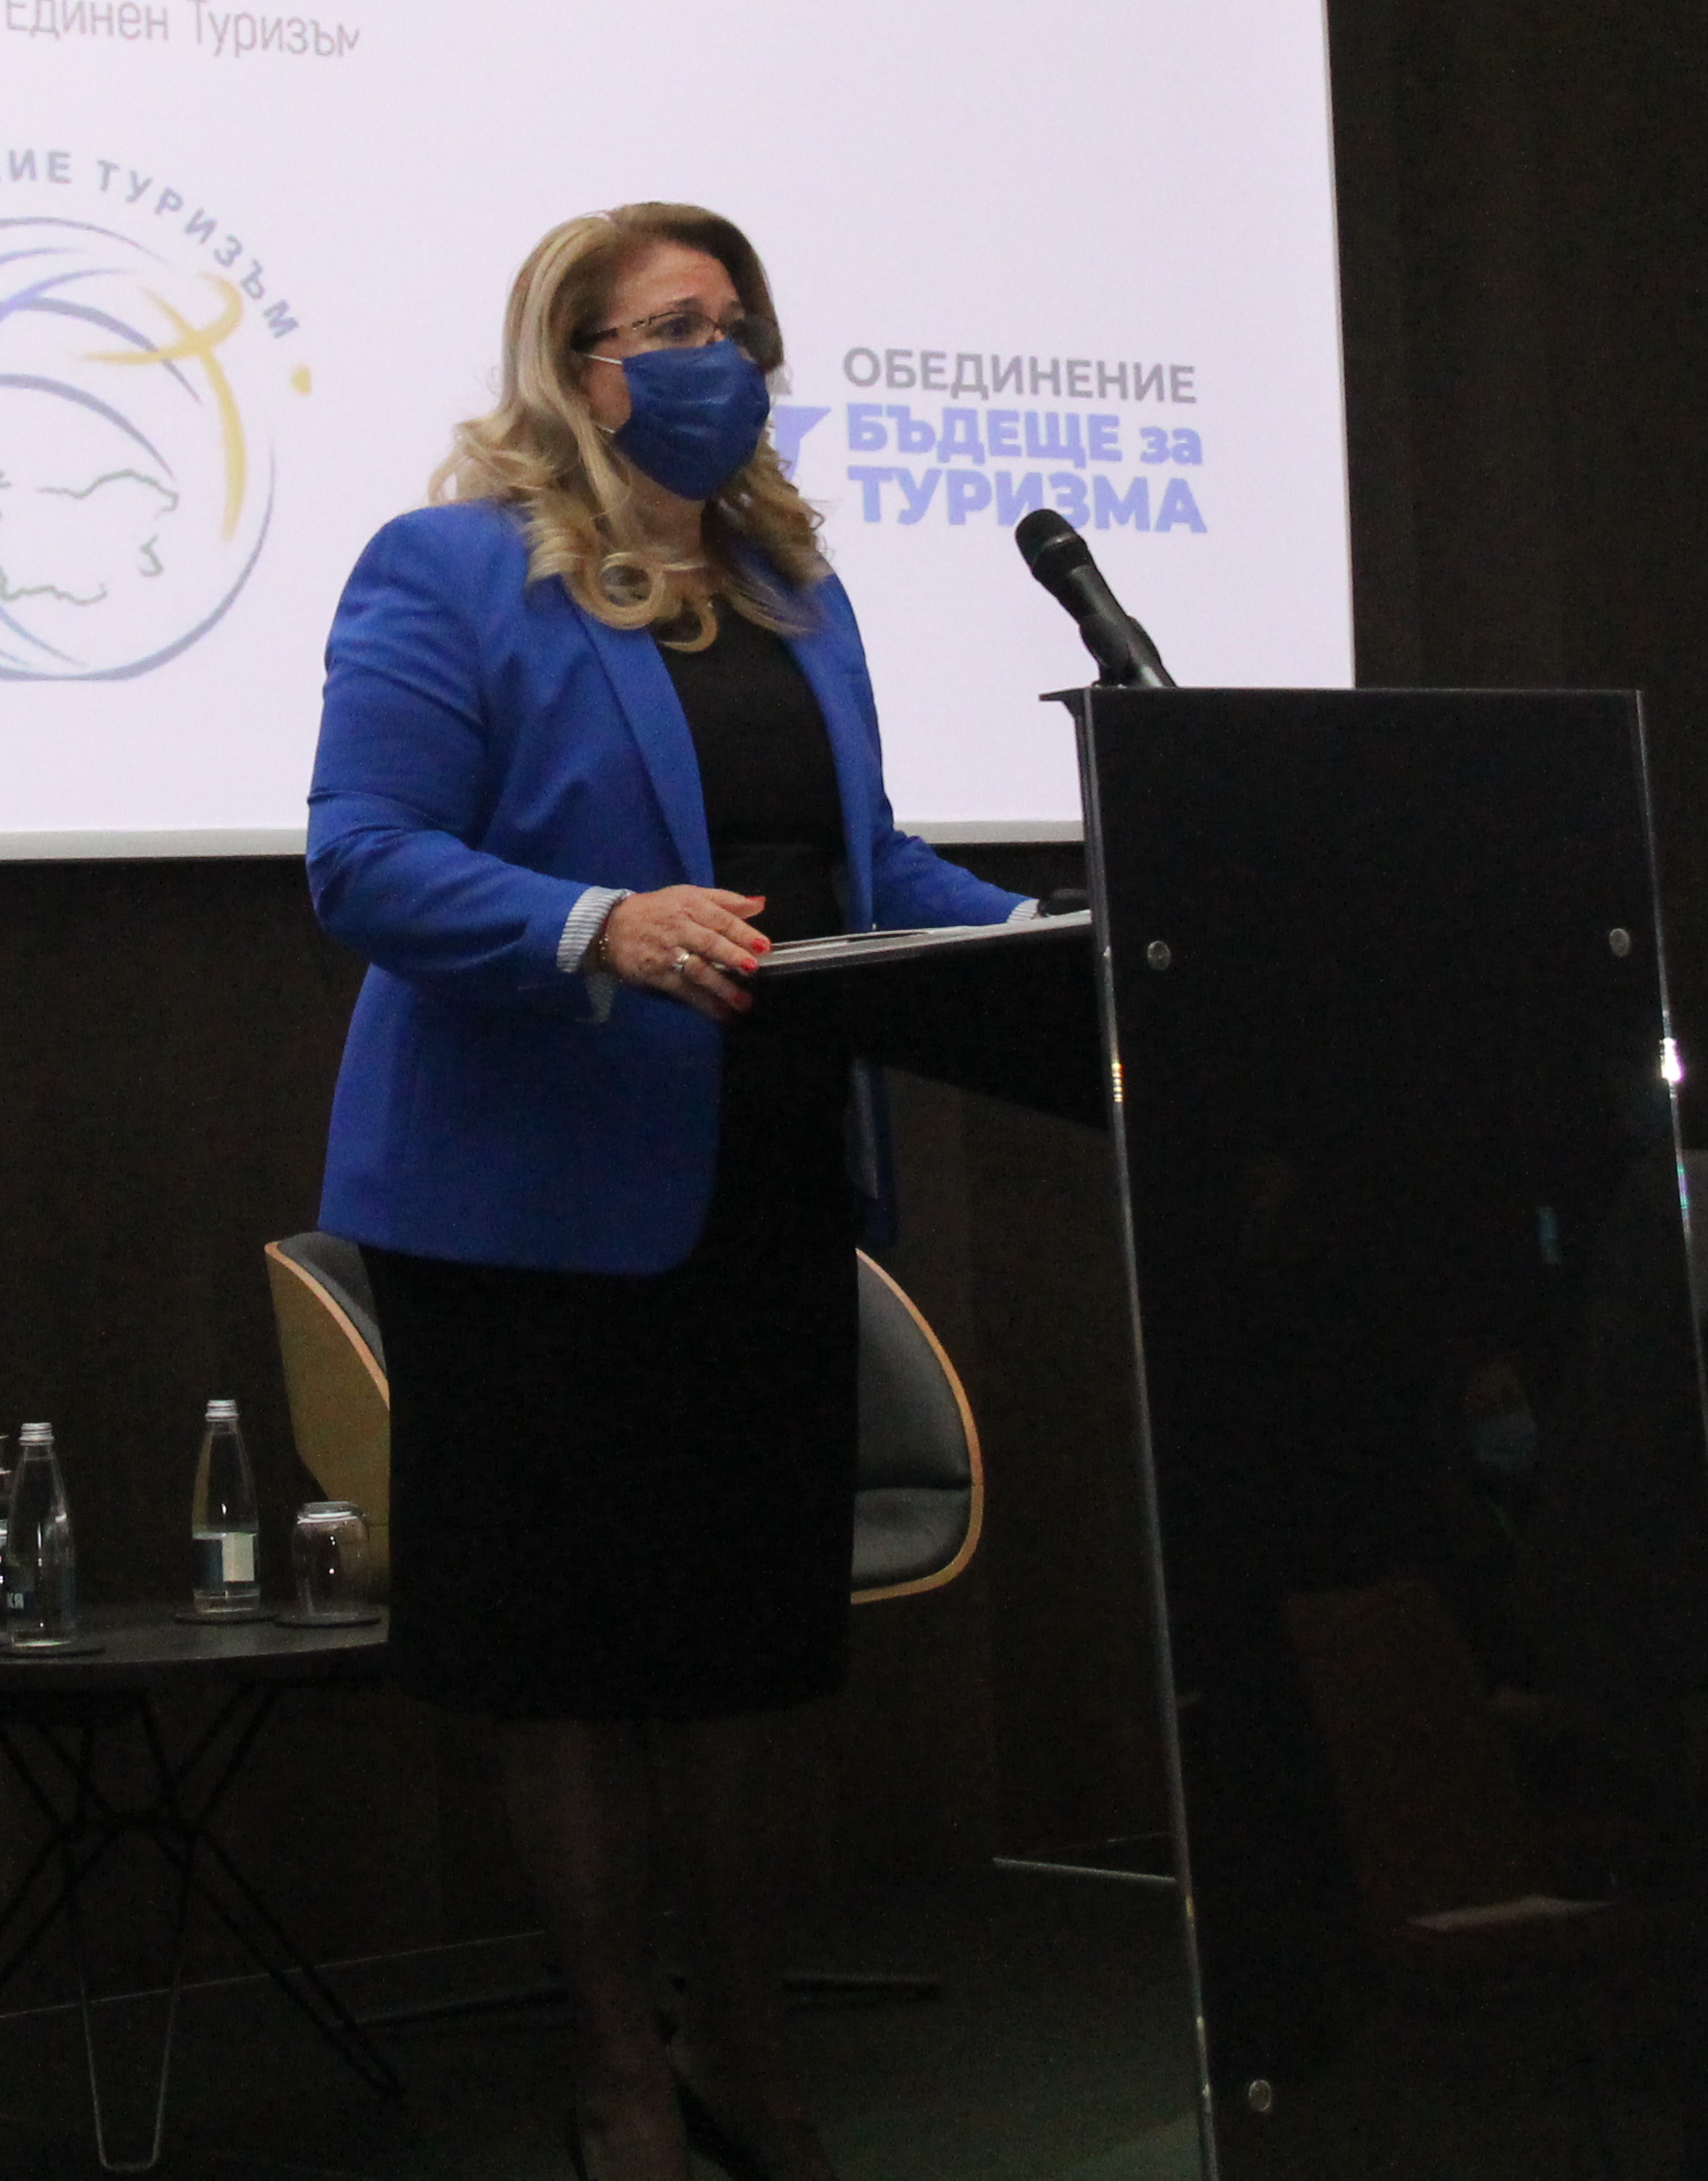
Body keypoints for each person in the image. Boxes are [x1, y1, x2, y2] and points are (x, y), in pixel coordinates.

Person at [306, 203, 1019, 2181]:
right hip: (532, 1215)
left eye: (738, 323)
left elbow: (860, 865)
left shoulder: (795, 590)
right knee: (571, 1664)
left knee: (743, 1660)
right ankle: (618, 2070)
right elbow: (363, 856)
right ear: (581, 369)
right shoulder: (457, 571)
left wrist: (1048, 937)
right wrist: (594, 924)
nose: (724, 358)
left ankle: (741, 2044)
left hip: (764, 1186)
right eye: (676, 326)